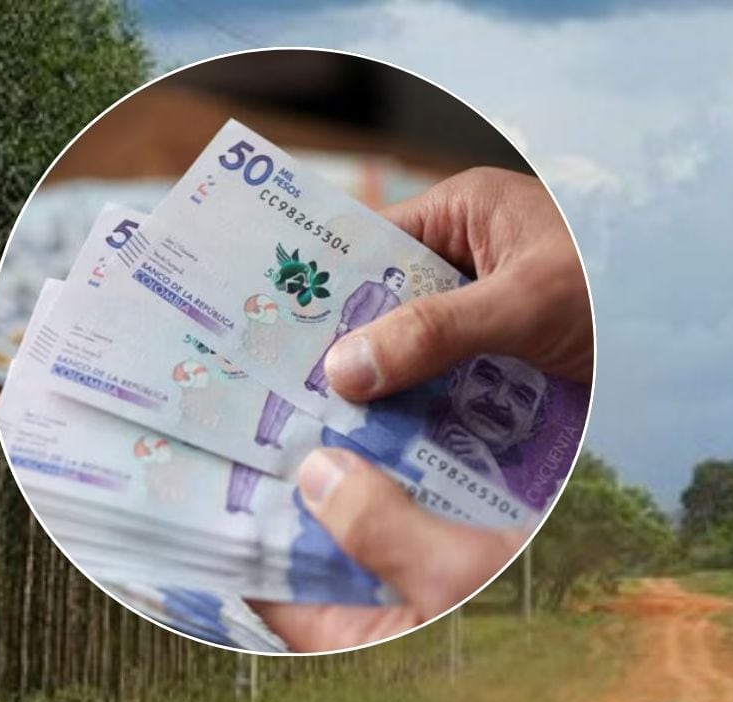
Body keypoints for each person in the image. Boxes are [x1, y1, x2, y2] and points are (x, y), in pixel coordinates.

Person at [251, 167, 592, 651]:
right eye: (488, 378)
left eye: (520, 397)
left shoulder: (551, 497)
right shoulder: (378, 431)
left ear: (535, 425)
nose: (497, 400)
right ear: (456, 379)